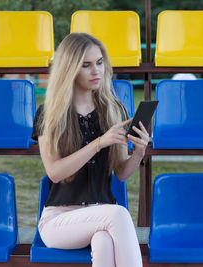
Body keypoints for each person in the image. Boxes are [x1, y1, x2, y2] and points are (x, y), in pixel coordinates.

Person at [32, 33, 147, 267]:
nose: (96, 71)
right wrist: (99, 143)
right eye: (86, 65)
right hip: (59, 220)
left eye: (99, 62)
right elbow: (54, 172)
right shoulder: (49, 114)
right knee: (118, 213)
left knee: (104, 242)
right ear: (70, 69)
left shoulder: (114, 110)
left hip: (101, 215)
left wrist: (138, 152)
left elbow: (121, 173)